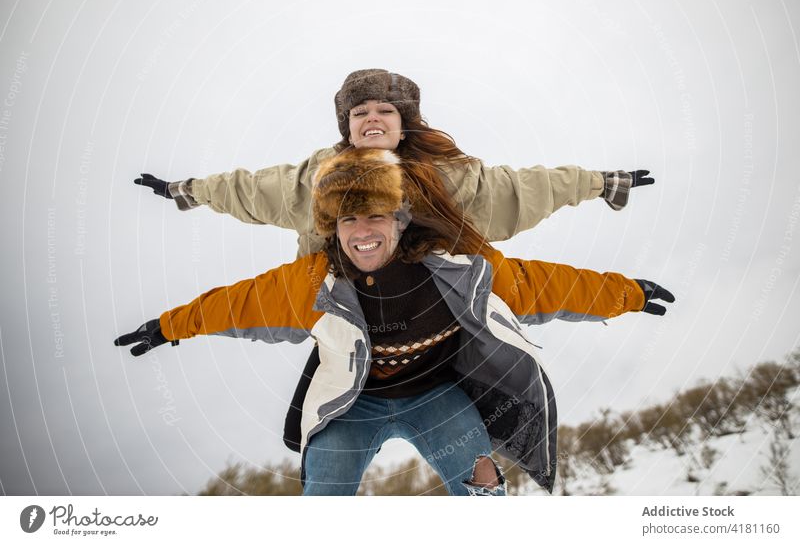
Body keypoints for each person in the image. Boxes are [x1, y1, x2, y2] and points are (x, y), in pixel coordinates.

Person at [133, 68, 656, 453]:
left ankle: (463, 406)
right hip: (351, 307)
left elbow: (525, 189)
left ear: (404, 123)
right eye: (360, 112)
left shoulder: (451, 177)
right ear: (348, 126)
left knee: (466, 392)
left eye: (384, 111)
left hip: (437, 306)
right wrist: (189, 191)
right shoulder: (321, 175)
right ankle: (346, 402)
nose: (372, 119)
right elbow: (250, 189)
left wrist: (599, 184)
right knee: (342, 378)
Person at [116, 147, 674, 496]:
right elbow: (232, 305)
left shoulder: (459, 272)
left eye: (376, 217)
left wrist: (626, 293)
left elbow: (547, 285)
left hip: (435, 396)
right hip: (352, 406)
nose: (363, 231)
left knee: (479, 473)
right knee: (325, 488)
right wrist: (167, 327)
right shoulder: (312, 284)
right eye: (349, 220)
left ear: (399, 222)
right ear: (333, 229)